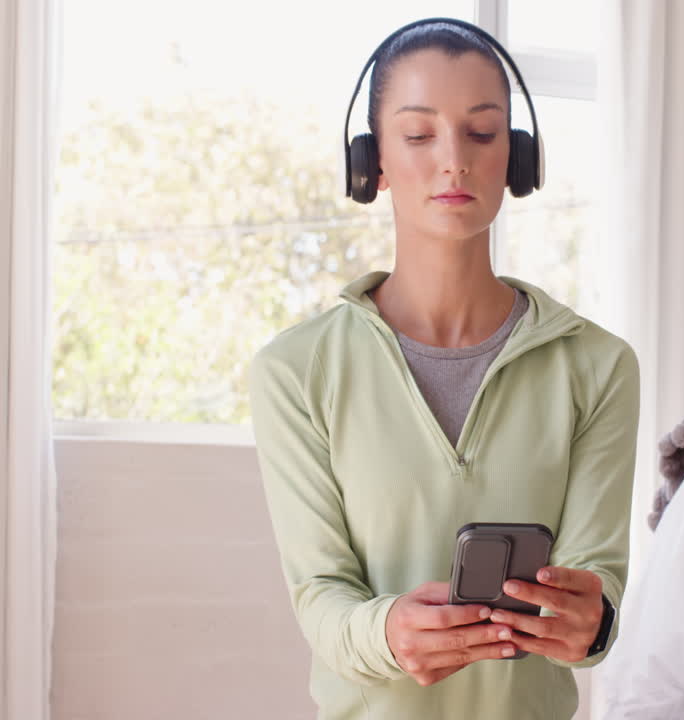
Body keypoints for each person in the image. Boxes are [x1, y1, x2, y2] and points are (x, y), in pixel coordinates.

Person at [248, 17, 640, 720]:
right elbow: (321, 596)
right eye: (419, 135)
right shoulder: (295, 371)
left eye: (482, 133)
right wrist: (386, 633)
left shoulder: (600, 367)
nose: (454, 160)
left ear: (518, 160)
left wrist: (591, 622)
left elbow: (597, 585)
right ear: (371, 162)